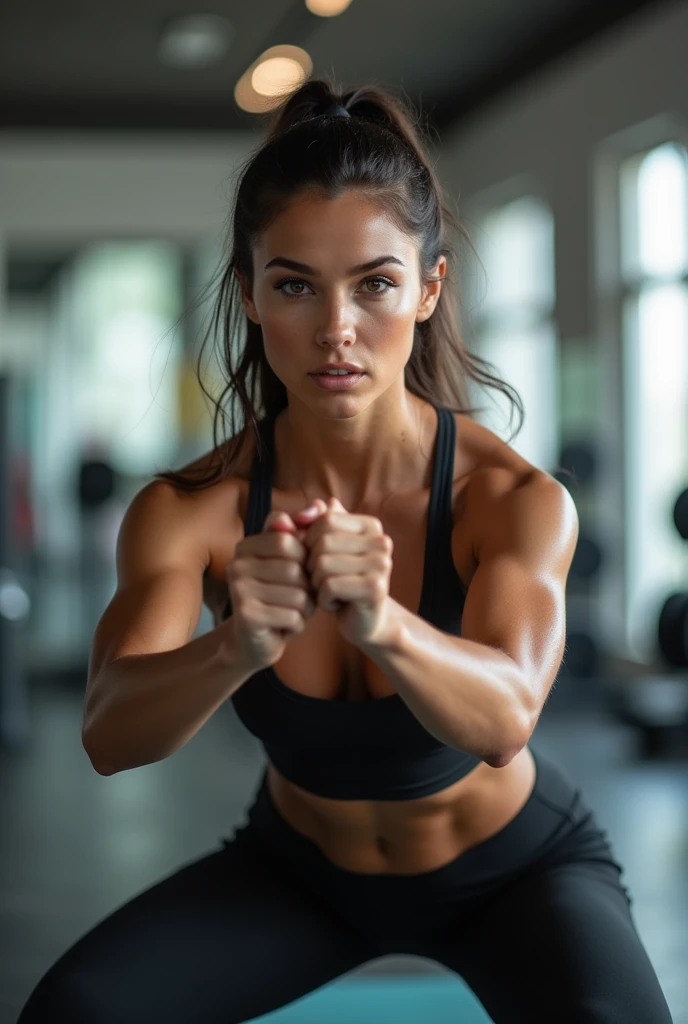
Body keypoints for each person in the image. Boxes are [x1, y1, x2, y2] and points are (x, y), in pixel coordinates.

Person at [17, 79, 673, 1024]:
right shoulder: (188, 511)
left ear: (429, 287)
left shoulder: (511, 500)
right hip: (299, 872)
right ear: (248, 290)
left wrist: (384, 624)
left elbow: (505, 723)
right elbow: (112, 737)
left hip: (513, 872)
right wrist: (237, 643)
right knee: (77, 1010)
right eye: (294, 284)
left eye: (375, 283)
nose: (337, 329)